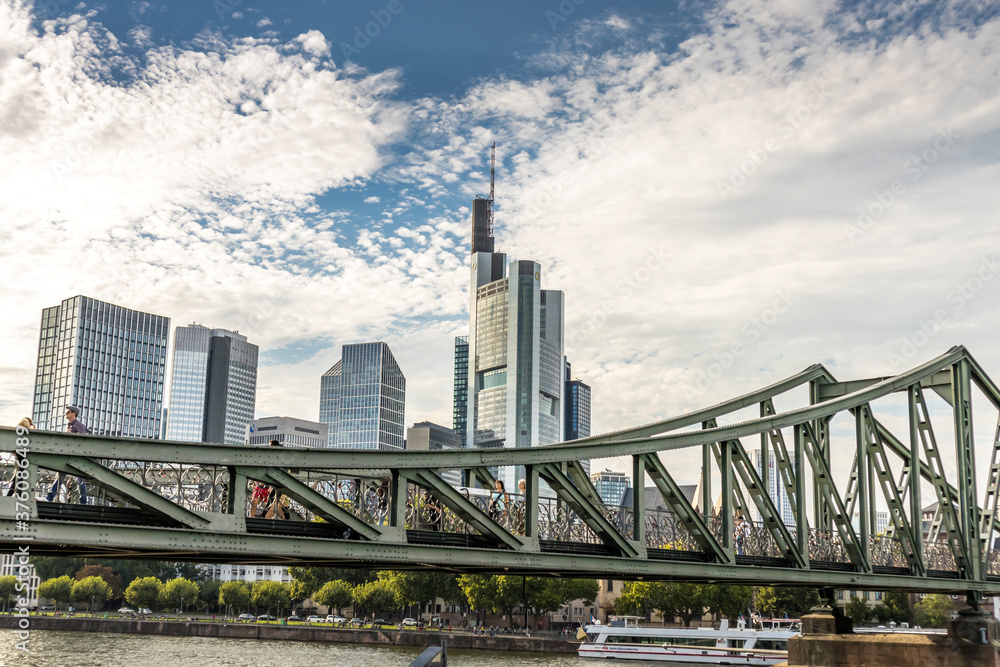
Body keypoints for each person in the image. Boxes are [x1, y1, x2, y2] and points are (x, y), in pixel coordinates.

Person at [46, 407, 89, 504]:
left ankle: (83, 502)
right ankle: (49, 497)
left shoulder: (78, 425)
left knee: (79, 480)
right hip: (69, 457)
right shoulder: (70, 425)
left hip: (76, 458)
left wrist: (71, 435)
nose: (66, 413)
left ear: (74, 414)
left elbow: (84, 440)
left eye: (68, 412)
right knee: (60, 477)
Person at [6, 418, 34, 497]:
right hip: (25, 459)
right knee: (20, 478)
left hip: (19, 459)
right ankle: (17, 495)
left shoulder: (16, 431)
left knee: (17, 478)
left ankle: (10, 495)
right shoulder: (28, 433)